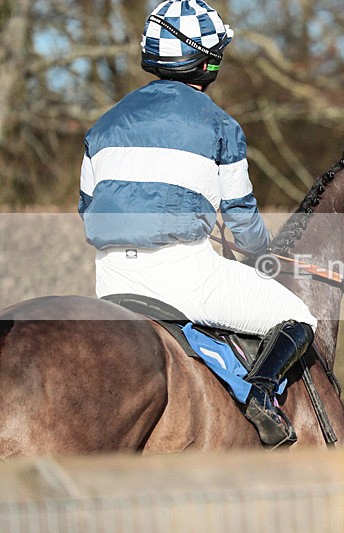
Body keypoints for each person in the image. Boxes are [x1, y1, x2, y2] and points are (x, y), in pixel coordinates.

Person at [77, 0, 316, 447]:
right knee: (299, 316)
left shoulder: (103, 125)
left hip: (111, 278)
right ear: (208, 61)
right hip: (182, 276)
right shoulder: (221, 125)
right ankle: (261, 398)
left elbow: (88, 208)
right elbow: (241, 217)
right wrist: (262, 255)